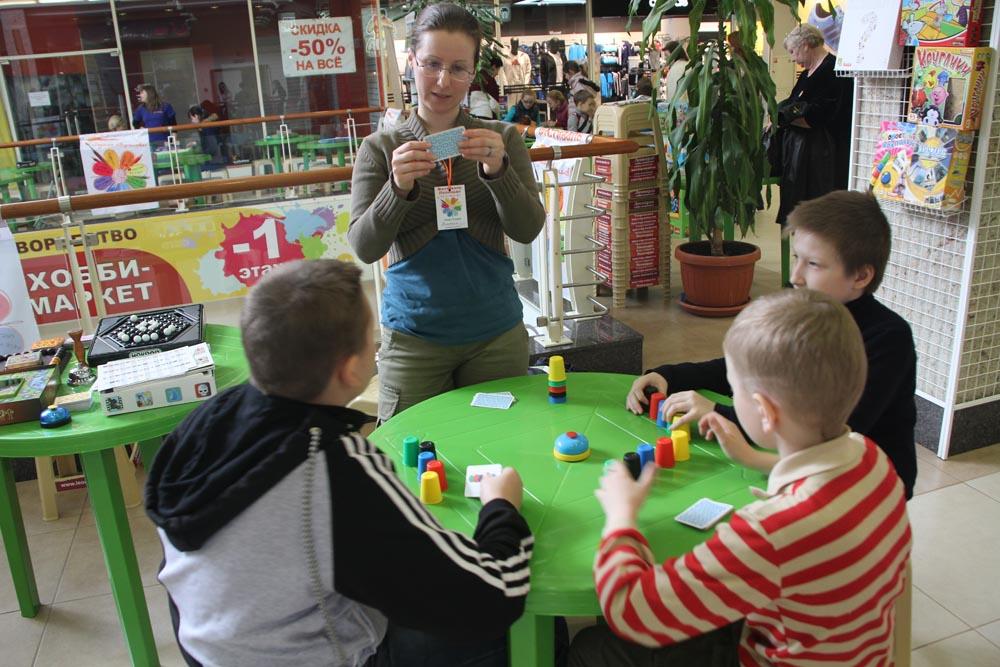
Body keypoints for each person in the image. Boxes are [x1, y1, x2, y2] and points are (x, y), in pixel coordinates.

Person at [146, 259, 533, 667]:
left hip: (209, 649)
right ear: (350, 369)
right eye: (371, 338)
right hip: (311, 657)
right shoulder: (333, 471)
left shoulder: (206, 422)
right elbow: (490, 597)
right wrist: (500, 508)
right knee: (515, 631)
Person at [570, 287, 912, 666]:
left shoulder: (769, 532)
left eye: (734, 389)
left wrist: (621, 517)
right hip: (855, 653)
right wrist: (753, 458)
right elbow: (824, 490)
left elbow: (631, 611)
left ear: (764, 411)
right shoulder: (871, 457)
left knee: (590, 648)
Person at [626, 191, 918, 499]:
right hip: (807, 467)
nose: (796, 277)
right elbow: (751, 365)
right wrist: (671, 375)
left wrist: (717, 412)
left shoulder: (889, 337)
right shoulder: (805, 311)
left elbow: (832, 432)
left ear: (860, 275)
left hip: (870, 487)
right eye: (796, 258)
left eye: (813, 264)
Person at [347, 2, 546, 421]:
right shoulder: (381, 149)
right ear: (412, 62)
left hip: (496, 334)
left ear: (473, 73)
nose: (443, 80)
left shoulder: (502, 140)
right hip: (414, 338)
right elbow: (365, 247)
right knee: (411, 453)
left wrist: (499, 172)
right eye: (432, 64)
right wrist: (397, 188)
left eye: (458, 68)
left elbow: (528, 229)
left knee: (498, 444)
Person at [773, 23, 853, 226]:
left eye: (793, 51)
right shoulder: (807, 73)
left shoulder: (833, 71)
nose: (792, 58)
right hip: (802, 154)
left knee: (821, 212)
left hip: (825, 157)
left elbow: (818, 116)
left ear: (806, 45)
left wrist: (789, 116)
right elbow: (793, 105)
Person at [565, 61, 600, 132]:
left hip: (579, 116)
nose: (565, 77)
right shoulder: (581, 80)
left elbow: (581, 98)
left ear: (570, 72)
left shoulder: (577, 83)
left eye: (565, 74)